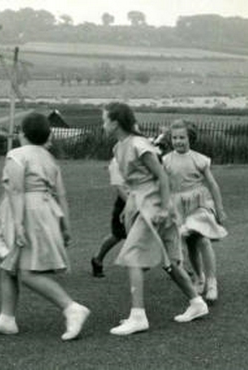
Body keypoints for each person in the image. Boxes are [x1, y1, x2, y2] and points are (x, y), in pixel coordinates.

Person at [0, 112, 90, 341]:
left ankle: (71, 307)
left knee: (28, 273)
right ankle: (6, 319)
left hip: (27, 212)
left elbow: (17, 190)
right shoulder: (49, 158)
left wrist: (18, 224)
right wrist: (65, 225)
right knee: (9, 266)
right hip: (45, 210)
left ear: (22, 133)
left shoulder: (16, 154)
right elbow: (62, 194)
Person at [102, 102, 208, 336]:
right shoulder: (119, 147)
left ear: (116, 122)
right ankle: (197, 303)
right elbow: (134, 181)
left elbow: (161, 175)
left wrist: (165, 206)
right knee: (169, 262)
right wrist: (129, 205)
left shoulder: (139, 145)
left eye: (105, 120)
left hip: (154, 206)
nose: (103, 124)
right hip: (142, 203)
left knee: (134, 257)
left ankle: (138, 316)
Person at [163, 119, 227, 302]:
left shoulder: (199, 159)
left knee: (203, 240)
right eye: (175, 138)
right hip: (178, 205)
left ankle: (212, 282)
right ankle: (200, 277)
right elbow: (164, 185)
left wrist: (220, 209)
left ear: (189, 137)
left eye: (182, 137)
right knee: (191, 243)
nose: (178, 141)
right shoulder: (166, 160)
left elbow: (213, 185)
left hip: (199, 203)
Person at [90, 157, 128, 277]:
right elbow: (119, 187)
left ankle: (175, 265)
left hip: (144, 198)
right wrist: (131, 205)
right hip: (126, 201)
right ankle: (97, 259)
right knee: (118, 234)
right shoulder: (117, 161)